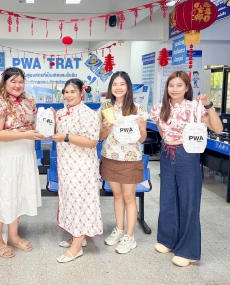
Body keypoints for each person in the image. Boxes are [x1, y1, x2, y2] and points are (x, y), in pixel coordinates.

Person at [149, 71, 222, 267]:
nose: (174, 89)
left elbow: (218, 128)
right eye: (171, 85)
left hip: (187, 154)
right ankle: (168, 240)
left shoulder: (195, 108)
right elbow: (162, 131)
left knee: (189, 202)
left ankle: (188, 251)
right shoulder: (159, 108)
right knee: (167, 199)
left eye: (179, 85)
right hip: (166, 154)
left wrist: (209, 106)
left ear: (187, 88)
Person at [0, 67, 43, 259]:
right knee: (1, 193)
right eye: (13, 81)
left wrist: (45, 127)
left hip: (23, 152)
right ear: (4, 82)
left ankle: (14, 236)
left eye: (20, 81)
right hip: (2, 154)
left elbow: (31, 125)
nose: (17, 85)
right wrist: (25, 134)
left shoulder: (29, 99)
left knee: (17, 191)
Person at [52, 78, 102, 263]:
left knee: (80, 202)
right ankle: (77, 236)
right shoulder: (61, 112)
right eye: (66, 92)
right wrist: (51, 120)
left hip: (82, 167)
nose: (68, 95)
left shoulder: (89, 114)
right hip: (66, 165)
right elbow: (57, 132)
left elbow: (92, 142)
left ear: (82, 92)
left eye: (72, 91)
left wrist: (66, 137)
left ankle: (77, 247)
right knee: (70, 201)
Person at [98, 71, 148, 254]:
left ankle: (130, 236)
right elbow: (100, 136)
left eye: (122, 84)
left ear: (128, 87)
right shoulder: (105, 107)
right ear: (110, 87)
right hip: (110, 157)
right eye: (114, 84)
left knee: (129, 197)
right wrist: (105, 128)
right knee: (117, 196)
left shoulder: (137, 108)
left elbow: (142, 140)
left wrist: (142, 128)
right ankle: (119, 230)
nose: (118, 88)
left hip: (130, 159)